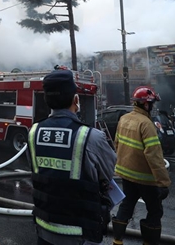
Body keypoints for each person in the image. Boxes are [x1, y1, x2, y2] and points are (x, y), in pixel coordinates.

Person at [28, 69, 117, 245]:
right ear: (76, 99)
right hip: (79, 234)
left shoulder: (33, 133)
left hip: (43, 230)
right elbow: (108, 172)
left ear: (47, 100)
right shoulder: (91, 136)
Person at [111, 86, 171, 245]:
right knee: (155, 210)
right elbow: (154, 156)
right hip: (145, 179)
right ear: (145, 104)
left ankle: (117, 240)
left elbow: (117, 144)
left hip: (126, 174)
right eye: (152, 104)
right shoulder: (146, 124)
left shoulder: (124, 119)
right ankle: (148, 242)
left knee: (127, 205)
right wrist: (163, 183)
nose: (153, 107)